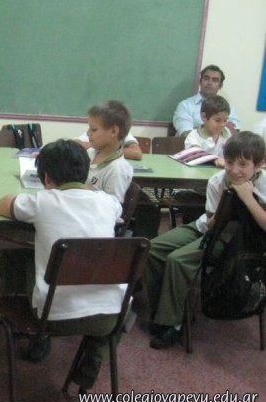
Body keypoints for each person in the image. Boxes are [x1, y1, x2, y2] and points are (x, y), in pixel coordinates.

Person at [0, 139, 123, 392]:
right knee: (121, 300)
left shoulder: (42, 202)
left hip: (53, 317)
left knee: (20, 255)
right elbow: (116, 209)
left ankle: (38, 336)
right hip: (109, 318)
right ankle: (95, 353)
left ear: (46, 177)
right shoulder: (108, 203)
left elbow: (2, 204)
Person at [145, 131, 266, 350]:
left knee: (178, 260)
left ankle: (173, 324)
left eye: (243, 164)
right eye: (229, 162)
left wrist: (247, 198)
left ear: (258, 165)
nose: (234, 170)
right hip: (210, 228)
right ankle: (166, 312)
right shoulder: (217, 181)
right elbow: (211, 223)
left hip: (237, 239)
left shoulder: (264, 183)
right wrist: (223, 210)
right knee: (151, 249)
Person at [84, 100, 134, 203]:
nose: (88, 133)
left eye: (93, 129)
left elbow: (113, 207)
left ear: (113, 131)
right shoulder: (89, 153)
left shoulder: (118, 170)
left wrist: (84, 190)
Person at [172, 65, 240, 138]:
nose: (209, 83)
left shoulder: (229, 107)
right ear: (200, 82)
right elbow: (186, 135)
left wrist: (198, 129)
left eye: (215, 80)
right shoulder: (185, 106)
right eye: (206, 78)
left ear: (220, 86)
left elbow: (235, 135)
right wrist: (223, 130)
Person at [183, 94, 232, 168]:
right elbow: (195, 154)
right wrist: (215, 160)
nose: (222, 125)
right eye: (217, 120)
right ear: (204, 117)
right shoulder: (194, 136)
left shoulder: (227, 133)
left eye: (225, 120)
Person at [75, 130, 143, 160]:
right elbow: (76, 145)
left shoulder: (124, 133)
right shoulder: (94, 132)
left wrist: (104, 150)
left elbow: (136, 153)